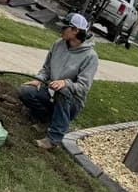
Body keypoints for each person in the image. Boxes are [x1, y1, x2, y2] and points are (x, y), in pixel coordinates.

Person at [18, 13, 99, 149]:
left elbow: (83, 87)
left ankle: (53, 139)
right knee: (25, 91)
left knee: (63, 90)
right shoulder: (58, 44)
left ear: (75, 30)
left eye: (64, 27)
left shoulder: (90, 57)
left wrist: (65, 83)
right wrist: (39, 79)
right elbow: (46, 69)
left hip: (71, 101)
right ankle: (46, 120)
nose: (60, 30)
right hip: (51, 92)